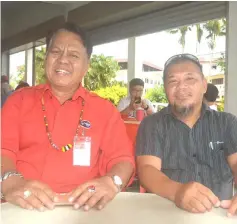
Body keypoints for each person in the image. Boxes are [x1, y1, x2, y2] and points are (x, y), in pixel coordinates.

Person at [1, 22, 135, 212]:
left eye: (73, 55)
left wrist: (112, 182)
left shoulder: (104, 110)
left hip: (83, 211)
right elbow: (3, 150)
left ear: (86, 65)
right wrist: (10, 182)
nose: (63, 60)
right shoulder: (19, 101)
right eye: (55, 52)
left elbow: (123, 160)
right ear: (46, 58)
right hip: (21, 206)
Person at [136, 54, 237, 217]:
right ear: (165, 88)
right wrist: (177, 192)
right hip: (166, 214)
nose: (181, 87)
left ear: (204, 85)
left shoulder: (227, 122)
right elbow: (147, 170)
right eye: (173, 81)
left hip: (220, 214)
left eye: (190, 79)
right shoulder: (152, 124)